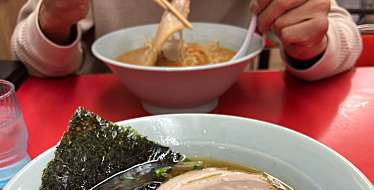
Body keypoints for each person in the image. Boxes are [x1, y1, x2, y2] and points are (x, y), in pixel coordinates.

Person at [12, 0, 362, 81]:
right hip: (114, 110)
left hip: (235, 112)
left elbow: (344, 34)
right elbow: (34, 59)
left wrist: (311, 44)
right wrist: (53, 19)